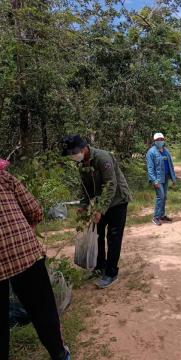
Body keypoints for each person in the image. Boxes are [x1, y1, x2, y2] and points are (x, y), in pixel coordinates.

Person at [0, 170, 70, 360]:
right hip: (23, 253)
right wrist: (23, 233)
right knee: (43, 310)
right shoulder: (4, 176)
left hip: (21, 252)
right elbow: (35, 210)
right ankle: (59, 354)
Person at [62, 135, 131, 289]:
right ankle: (99, 267)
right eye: (71, 154)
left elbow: (110, 184)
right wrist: (84, 204)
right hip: (102, 202)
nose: (74, 156)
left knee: (113, 236)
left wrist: (100, 209)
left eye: (75, 152)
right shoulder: (81, 164)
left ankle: (111, 273)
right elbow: (85, 187)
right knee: (97, 234)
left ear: (84, 148)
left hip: (118, 200)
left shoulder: (102, 157)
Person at [146, 132, 177, 226]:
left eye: (161, 139)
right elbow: (150, 168)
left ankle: (162, 215)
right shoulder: (151, 152)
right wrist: (154, 180)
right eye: (158, 140)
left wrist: (173, 178)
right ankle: (156, 217)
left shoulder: (166, 151)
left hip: (166, 178)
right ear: (154, 141)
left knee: (164, 197)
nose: (160, 141)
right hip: (158, 179)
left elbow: (170, 165)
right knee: (161, 197)